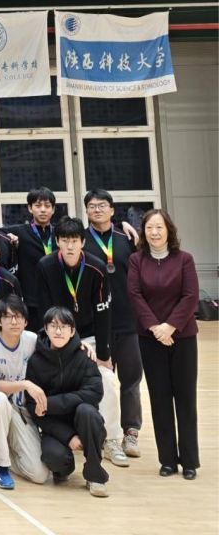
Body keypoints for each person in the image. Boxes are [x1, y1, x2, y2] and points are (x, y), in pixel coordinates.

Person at [36, 216, 126, 467]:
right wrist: (65, 341)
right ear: (57, 242)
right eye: (65, 240)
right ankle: (52, 432)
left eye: (74, 240)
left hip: (90, 336)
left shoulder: (97, 267)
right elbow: (45, 310)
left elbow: (103, 312)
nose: (70, 246)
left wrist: (104, 355)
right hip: (57, 336)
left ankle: (112, 440)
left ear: (82, 242)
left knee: (107, 379)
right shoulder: (45, 266)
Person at [127, 209, 200, 479]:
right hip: (150, 338)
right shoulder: (136, 260)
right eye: (149, 228)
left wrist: (170, 326)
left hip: (182, 337)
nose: (154, 232)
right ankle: (168, 460)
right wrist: (156, 328)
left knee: (185, 399)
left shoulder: (184, 259)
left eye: (159, 227)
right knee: (159, 399)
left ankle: (190, 461)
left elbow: (190, 296)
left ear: (169, 230)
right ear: (143, 232)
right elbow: (135, 295)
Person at [24, 307, 111, 498]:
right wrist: (68, 436)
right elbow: (34, 409)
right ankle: (64, 469)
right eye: (53, 326)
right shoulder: (36, 362)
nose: (58, 331)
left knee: (88, 412)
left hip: (83, 419)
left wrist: (51, 403)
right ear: (45, 329)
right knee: (55, 458)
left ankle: (95, 474)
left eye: (64, 327)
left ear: (72, 331)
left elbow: (94, 392)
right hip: (54, 424)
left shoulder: (85, 355)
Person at [84, 188, 143, 459]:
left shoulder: (127, 238)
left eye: (102, 205)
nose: (97, 209)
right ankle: (104, 434)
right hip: (97, 324)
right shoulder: (81, 240)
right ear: (86, 211)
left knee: (131, 380)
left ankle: (131, 432)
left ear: (112, 210)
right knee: (101, 381)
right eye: (92, 206)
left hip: (128, 321)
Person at [0, 295, 50, 488]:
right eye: (8, 317)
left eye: (18, 316)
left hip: (21, 411)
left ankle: (4, 453)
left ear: (26, 321)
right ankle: (1, 465)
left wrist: (81, 344)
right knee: (0, 399)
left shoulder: (32, 340)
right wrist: (24, 384)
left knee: (39, 474)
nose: (14, 321)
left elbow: (60, 344)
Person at [5, 186, 58, 330]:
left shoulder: (60, 233)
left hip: (57, 299)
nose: (43, 210)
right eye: (38, 206)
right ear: (30, 208)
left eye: (47, 206)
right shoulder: (19, 232)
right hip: (31, 303)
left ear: (53, 209)